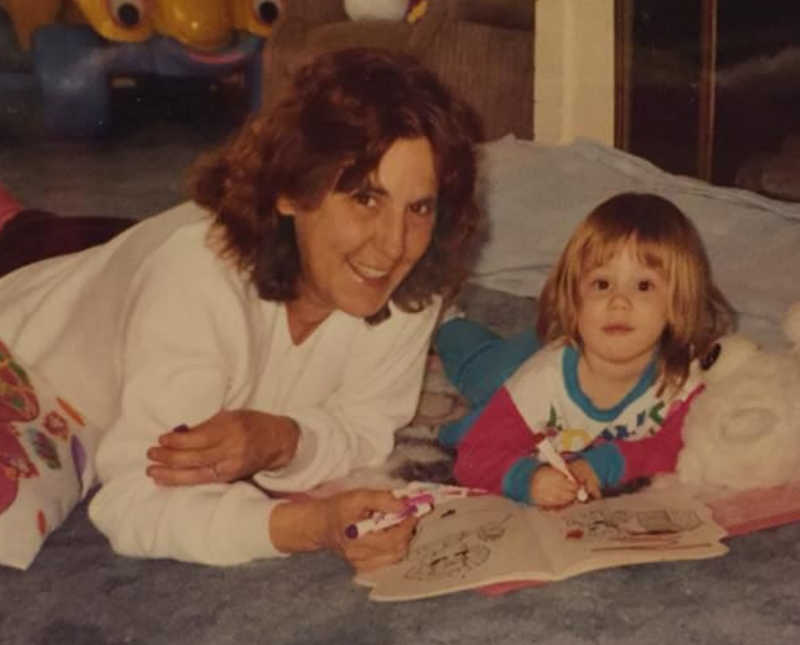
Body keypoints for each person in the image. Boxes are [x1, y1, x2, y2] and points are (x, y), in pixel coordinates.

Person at [0, 47, 483, 569]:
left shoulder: (408, 279)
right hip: (28, 339)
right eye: (366, 198)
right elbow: (135, 501)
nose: (394, 245)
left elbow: (366, 427)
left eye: (419, 208)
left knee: (91, 240)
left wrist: (282, 440)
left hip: (117, 260)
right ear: (290, 190)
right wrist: (309, 526)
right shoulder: (197, 280)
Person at [437, 192, 735, 507]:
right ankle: (445, 321)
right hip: (539, 360)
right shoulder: (542, 381)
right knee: (487, 371)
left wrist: (605, 464)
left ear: (679, 303)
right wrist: (528, 479)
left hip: (568, 346)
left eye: (644, 286)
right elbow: (475, 458)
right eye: (602, 284)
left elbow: (683, 443)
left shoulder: (681, 378)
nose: (619, 302)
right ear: (574, 297)